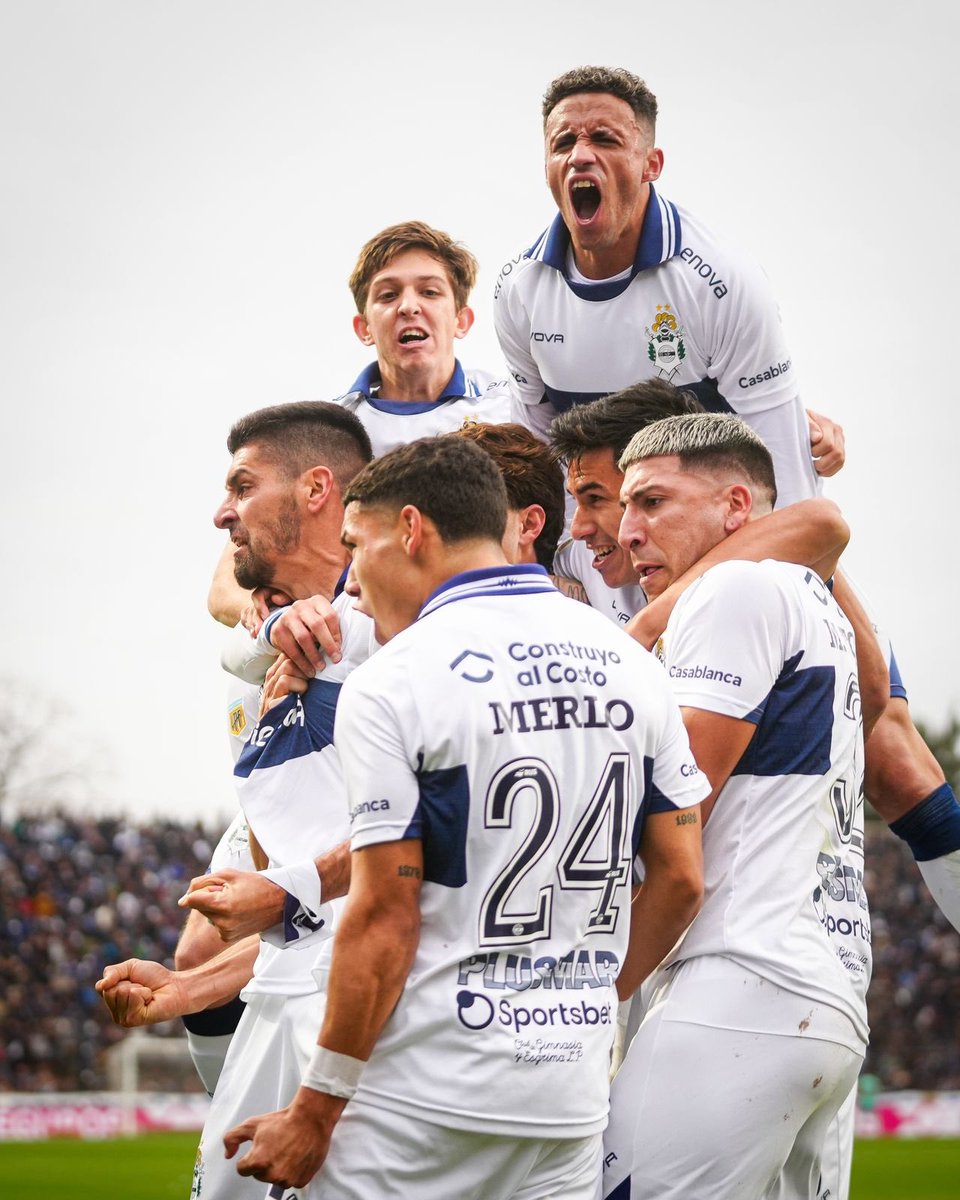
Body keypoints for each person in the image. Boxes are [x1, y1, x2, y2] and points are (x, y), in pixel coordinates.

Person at [494, 64, 960, 934]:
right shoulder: (521, 294)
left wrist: (664, 606)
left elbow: (802, 510)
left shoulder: (719, 282)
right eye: (564, 141)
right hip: (615, 537)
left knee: (888, 743)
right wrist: (558, 580)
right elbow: (534, 462)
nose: (582, 154)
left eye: (605, 138)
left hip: (727, 530)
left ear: (651, 161)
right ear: (545, 164)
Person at [222, 435, 709, 1199]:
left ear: (411, 530)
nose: (350, 583)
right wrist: (579, 1000)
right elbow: (681, 878)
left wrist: (314, 1111)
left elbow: (384, 914)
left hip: (418, 1104)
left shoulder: (395, 680)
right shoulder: (631, 663)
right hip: (565, 1105)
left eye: (357, 546)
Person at [98, 401, 376, 1200]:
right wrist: (192, 989)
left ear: (319, 489)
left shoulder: (395, 647)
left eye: (241, 488)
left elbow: (392, 874)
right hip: (291, 970)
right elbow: (225, 599)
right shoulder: (251, 644)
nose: (222, 512)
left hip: (364, 1007)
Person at [604, 413, 870, 1200]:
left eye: (652, 502)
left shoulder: (734, 587)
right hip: (820, 986)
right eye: (624, 508)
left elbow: (678, 804)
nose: (627, 531)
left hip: (742, 983)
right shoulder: (808, 600)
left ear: (736, 505)